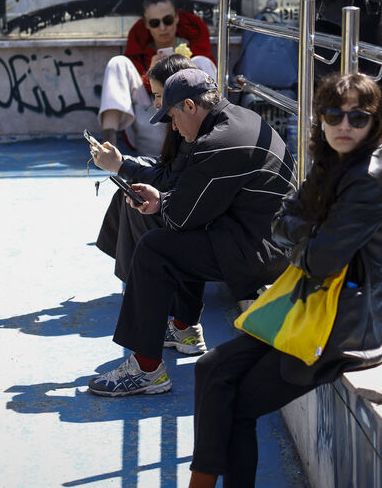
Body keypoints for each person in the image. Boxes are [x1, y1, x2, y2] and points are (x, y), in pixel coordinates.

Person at [188, 72, 382, 488]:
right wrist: (310, 232)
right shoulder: (333, 161)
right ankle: (203, 480)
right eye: (334, 115)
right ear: (321, 118)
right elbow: (281, 224)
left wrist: (306, 233)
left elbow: (318, 259)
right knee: (211, 368)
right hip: (312, 304)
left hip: (346, 326)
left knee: (236, 405)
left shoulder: (368, 177)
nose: (344, 126)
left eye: (358, 117)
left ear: (376, 121)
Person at [86, 68, 296, 397]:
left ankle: (146, 368)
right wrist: (163, 202)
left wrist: (160, 203)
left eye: (171, 116)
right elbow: (192, 200)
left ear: (190, 106)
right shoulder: (238, 118)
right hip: (266, 236)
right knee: (169, 229)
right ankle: (183, 327)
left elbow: (183, 218)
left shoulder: (218, 143)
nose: (173, 126)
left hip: (262, 252)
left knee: (156, 248)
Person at [92, 52, 196, 281]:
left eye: (159, 95)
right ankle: (134, 278)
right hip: (189, 204)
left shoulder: (190, 125)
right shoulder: (179, 120)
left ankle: (140, 283)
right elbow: (170, 168)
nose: (156, 103)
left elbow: (171, 179)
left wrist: (121, 166)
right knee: (130, 190)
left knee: (136, 197)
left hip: (205, 225)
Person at [97, 0, 217, 156]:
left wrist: (186, 67)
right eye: (155, 23)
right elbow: (142, 93)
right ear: (146, 24)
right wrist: (151, 75)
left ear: (177, 17)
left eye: (167, 20)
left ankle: (211, 141)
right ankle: (107, 144)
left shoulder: (192, 42)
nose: (162, 28)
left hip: (189, 119)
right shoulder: (140, 47)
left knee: (202, 62)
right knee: (117, 63)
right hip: (149, 122)